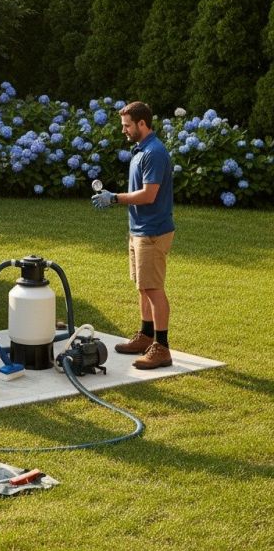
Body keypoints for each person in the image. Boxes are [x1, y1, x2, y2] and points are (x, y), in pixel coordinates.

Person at [91, 101, 175, 370]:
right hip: (139, 231)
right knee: (142, 286)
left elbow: (149, 195)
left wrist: (113, 198)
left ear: (142, 123)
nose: (124, 130)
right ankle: (146, 335)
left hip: (152, 232)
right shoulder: (141, 151)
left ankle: (161, 347)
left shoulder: (155, 153)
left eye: (127, 125)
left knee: (153, 288)